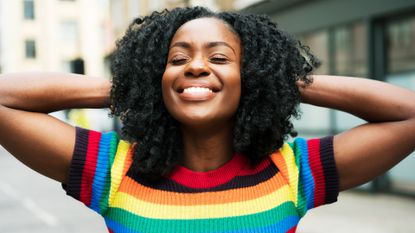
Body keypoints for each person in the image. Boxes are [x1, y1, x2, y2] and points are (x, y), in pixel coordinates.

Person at [0, 6, 414, 233]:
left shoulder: (293, 169)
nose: (195, 67)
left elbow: (407, 114)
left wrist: (279, 80)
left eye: (219, 58)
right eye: (178, 59)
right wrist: (134, 85)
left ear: (248, 77)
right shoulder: (112, 168)